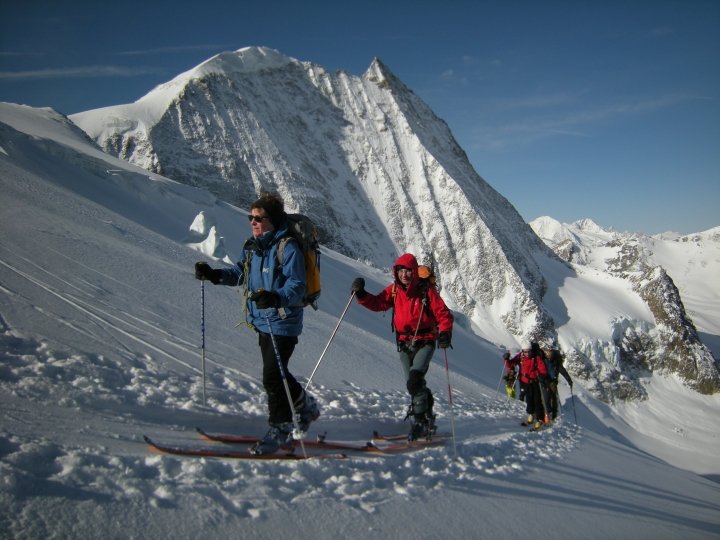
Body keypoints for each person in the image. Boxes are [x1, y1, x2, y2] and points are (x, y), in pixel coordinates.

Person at [194, 192, 319, 454]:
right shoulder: (254, 246)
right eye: (250, 217)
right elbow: (241, 273)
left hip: (283, 322)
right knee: (277, 374)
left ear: (272, 220)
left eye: (259, 218)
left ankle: (281, 428)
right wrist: (214, 275)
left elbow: (297, 286)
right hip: (262, 321)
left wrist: (275, 297)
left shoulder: (288, 247)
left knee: (272, 378)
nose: (253, 222)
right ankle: (304, 405)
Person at [350, 253, 454, 441]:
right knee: (413, 384)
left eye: (408, 271)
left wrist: (445, 332)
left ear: (414, 272)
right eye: (401, 271)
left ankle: (420, 421)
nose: (404, 274)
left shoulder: (426, 291)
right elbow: (379, 303)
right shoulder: (394, 291)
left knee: (414, 379)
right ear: (396, 272)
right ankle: (426, 412)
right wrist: (362, 295)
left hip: (425, 341)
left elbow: (443, 314)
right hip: (404, 344)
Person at [511, 341, 550, 429]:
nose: (527, 353)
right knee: (529, 399)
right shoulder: (520, 357)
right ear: (522, 351)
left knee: (537, 400)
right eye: (525, 351)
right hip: (525, 383)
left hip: (535, 382)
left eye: (529, 351)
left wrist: (540, 374)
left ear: (531, 351)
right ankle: (531, 414)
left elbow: (543, 369)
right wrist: (506, 359)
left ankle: (540, 419)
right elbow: (511, 363)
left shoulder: (536, 358)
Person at [544, 341, 573, 420]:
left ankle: (548, 412)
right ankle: (553, 413)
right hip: (553, 382)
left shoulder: (547, 361)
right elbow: (564, 372)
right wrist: (570, 381)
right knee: (553, 397)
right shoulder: (557, 363)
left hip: (546, 381)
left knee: (547, 397)